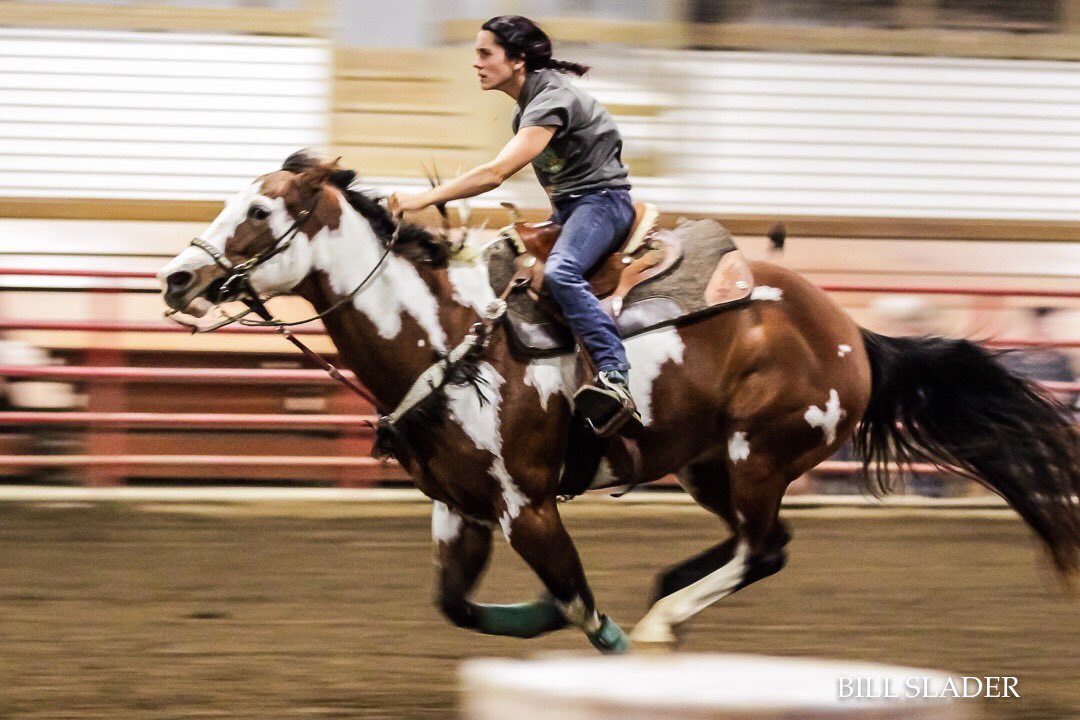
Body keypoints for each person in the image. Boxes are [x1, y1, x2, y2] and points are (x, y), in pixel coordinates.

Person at [389, 15, 638, 422]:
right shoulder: (527, 110)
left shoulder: (551, 101)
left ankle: (614, 373)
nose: (477, 63)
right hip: (572, 209)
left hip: (602, 203)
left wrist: (423, 199)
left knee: (561, 273)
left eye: (486, 53)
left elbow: (494, 174)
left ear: (517, 60)